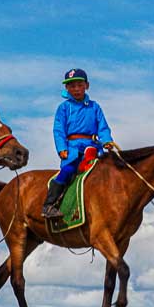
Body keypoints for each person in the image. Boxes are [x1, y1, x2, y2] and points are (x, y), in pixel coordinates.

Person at [41, 68, 116, 218]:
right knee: (68, 170)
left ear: (87, 86)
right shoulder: (64, 108)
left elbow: (102, 127)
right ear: (67, 88)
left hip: (93, 147)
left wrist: (107, 141)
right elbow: (59, 130)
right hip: (73, 148)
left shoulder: (94, 107)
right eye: (72, 86)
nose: (76, 89)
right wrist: (62, 148)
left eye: (79, 85)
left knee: (108, 170)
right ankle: (49, 205)